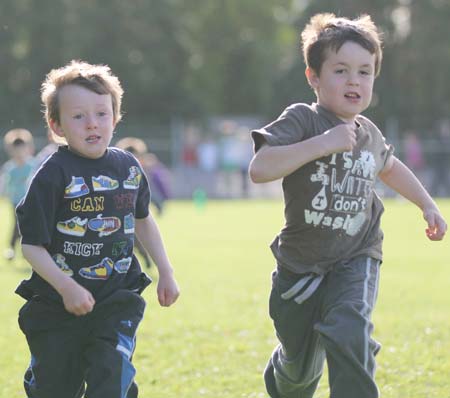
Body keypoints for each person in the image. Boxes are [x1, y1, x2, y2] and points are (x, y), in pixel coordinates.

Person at [248, 13, 447, 398]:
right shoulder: (303, 119)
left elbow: (389, 167)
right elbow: (260, 168)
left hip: (357, 255)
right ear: (314, 77)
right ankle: (286, 370)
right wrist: (323, 143)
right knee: (298, 370)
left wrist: (427, 204)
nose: (354, 80)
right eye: (340, 70)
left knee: (349, 326)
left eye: (365, 71)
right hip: (300, 265)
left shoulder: (369, 132)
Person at [15, 60, 180, 398]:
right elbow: (31, 246)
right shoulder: (51, 175)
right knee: (56, 386)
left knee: (113, 374)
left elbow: (143, 220)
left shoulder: (128, 167)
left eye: (101, 114)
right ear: (56, 125)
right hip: (56, 304)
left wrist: (165, 270)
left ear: (116, 117)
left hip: (116, 298)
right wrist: (66, 287)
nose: (92, 124)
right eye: (78, 116)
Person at [0, 128, 36, 261]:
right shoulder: (10, 168)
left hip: (30, 202)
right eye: (16, 149)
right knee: (17, 224)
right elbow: (4, 185)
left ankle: (28, 251)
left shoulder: (33, 165)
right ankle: (11, 249)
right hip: (15, 202)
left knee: (29, 226)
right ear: (11, 150)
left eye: (22, 148)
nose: (19, 152)